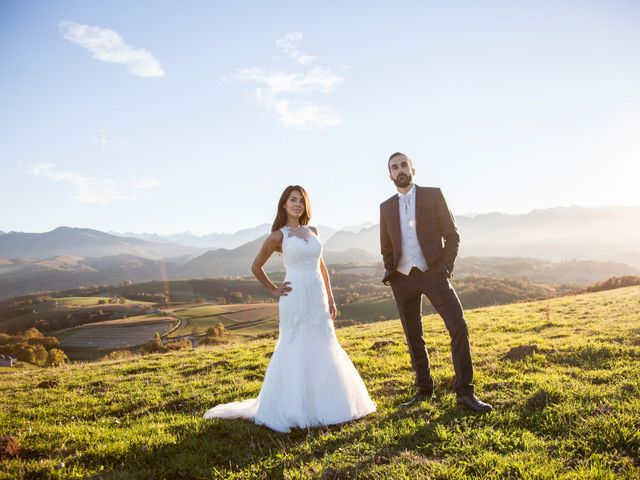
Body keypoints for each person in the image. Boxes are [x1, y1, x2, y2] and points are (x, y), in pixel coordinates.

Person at [203, 185, 376, 432]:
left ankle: (330, 404)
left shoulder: (313, 231)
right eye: (293, 200)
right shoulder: (278, 236)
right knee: (295, 345)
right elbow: (256, 266)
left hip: (317, 297)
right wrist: (273, 289)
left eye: (301, 201)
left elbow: (322, 267)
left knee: (324, 342)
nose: (297, 204)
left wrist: (331, 297)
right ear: (284, 204)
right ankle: (295, 407)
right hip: (295, 299)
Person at [379, 152, 492, 413]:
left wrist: (444, 268)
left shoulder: (433, 194)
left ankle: (465, 392)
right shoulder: (385, 207)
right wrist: (391, 271)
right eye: (394, 168)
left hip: (433, 274)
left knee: (458, 326)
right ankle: (423, 390)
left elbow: (452, 235)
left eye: (403, 165)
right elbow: (386, 245)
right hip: (402, 278)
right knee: (413, 336)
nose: (400, 170)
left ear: (412, 169)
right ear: (390, 175)